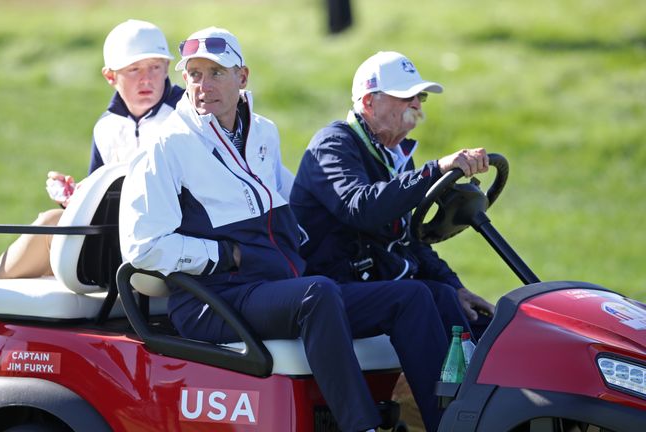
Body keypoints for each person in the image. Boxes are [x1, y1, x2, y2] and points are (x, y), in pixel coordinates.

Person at [120, 27, 451, 432]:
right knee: (317, 294)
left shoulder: (262, 132)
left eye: (216, 73)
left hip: (273, 287)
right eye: (194, 74)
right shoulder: (164, 145)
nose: (203, 86)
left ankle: (452, 422)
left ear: (243, 77)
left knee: (412, 297)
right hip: (214, 298)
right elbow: (142, 248)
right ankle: (362, 426)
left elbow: (291, 206)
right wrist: (226, 255)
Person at [0, 19, 184, 344]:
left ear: (168, 67)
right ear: (110, 77)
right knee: (52, 221)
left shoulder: (183, 117)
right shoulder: (107, 127)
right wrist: (77, 196)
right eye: (134, 70)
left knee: (49, 225)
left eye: (155, 67)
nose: (147, 79)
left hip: (159, 246)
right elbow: (106, 189)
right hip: (116, 242)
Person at [289, 51, 495, 340]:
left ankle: (479, 383)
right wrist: (433, 171)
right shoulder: (333, 143)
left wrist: (455, 286)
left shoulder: (397, 158)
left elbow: (410, 240)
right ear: (368, 102)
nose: (416, 103)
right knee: (415, 296)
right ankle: (440, 387)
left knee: (449, 299)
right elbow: (361, 207)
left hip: (375, 285)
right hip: (328, 292)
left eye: (420, 97)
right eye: (404, 95)